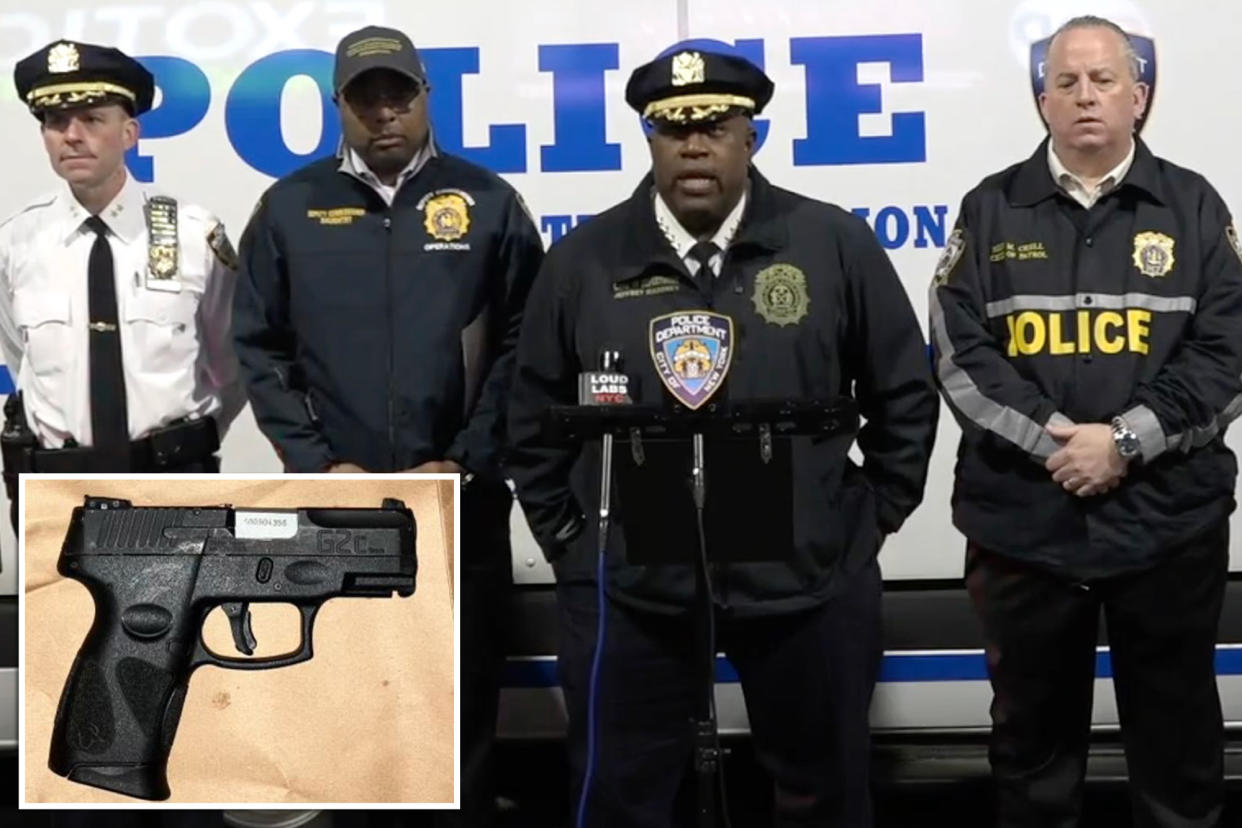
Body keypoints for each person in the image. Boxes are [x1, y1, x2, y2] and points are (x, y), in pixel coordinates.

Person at [507, 46, 937, 827]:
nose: (694, 145)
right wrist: (570, 538)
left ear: (752, 137)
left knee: (825, 794)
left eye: (716, 125)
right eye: (673, 129)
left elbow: (904, 390)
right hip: (633, 579)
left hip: (805, 575)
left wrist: (865, 519)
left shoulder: (829, 243)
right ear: (649, 140)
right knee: (620, 800)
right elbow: (529, 416)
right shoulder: (583, 260)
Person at [929, 16, 1242, 827]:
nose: (1085, 97)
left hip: (1168, 525)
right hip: (1026, 527)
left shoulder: (1196, 206)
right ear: (1042, 101)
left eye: (1104, 80)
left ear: (1139, 97)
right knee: (1031, 754)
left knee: (1178, 750)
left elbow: (1227, 354)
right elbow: (959, 352)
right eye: (1065, 83)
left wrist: (1128, 440)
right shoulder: (989, 208)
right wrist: (1058, 446)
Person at [232, 25, 543, 827]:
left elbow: (527, 344)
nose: (382, 113)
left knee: (462, 700)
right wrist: (315, 463)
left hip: (457, 503)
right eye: (364, 97)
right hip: (338, 506)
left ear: (425, 97)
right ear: (340, 105)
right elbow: (259, 350)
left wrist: (468, 461)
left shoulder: (488, 202)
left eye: (397, 94)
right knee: (350, 699)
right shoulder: (288, 209)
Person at [0, 40, 243, 527]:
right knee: (58, 609)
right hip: (55, 499)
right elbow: (19, 355)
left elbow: (230, 366)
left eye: (92, 118)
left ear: (130, 132)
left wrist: (182, 446)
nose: (72, 135)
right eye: (55, 121)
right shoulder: (16, 242)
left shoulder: (193, 234)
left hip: (174, 489)